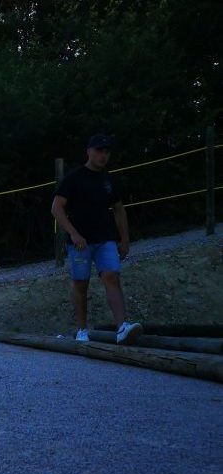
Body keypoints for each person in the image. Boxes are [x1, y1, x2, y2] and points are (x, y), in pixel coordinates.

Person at [51, 134, 143, 344]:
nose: (103, 155)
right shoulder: (74, 178)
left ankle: (122, 328)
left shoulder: (108, 180)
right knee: (81, 283)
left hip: (105, 239)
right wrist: (73, 233)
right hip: (80, 243)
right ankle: (82, 330)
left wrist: (125, 239)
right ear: (89, 151)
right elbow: (56, 208)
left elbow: (119, 210)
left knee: (111, 276)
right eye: (99, 150)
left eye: (106, 151)